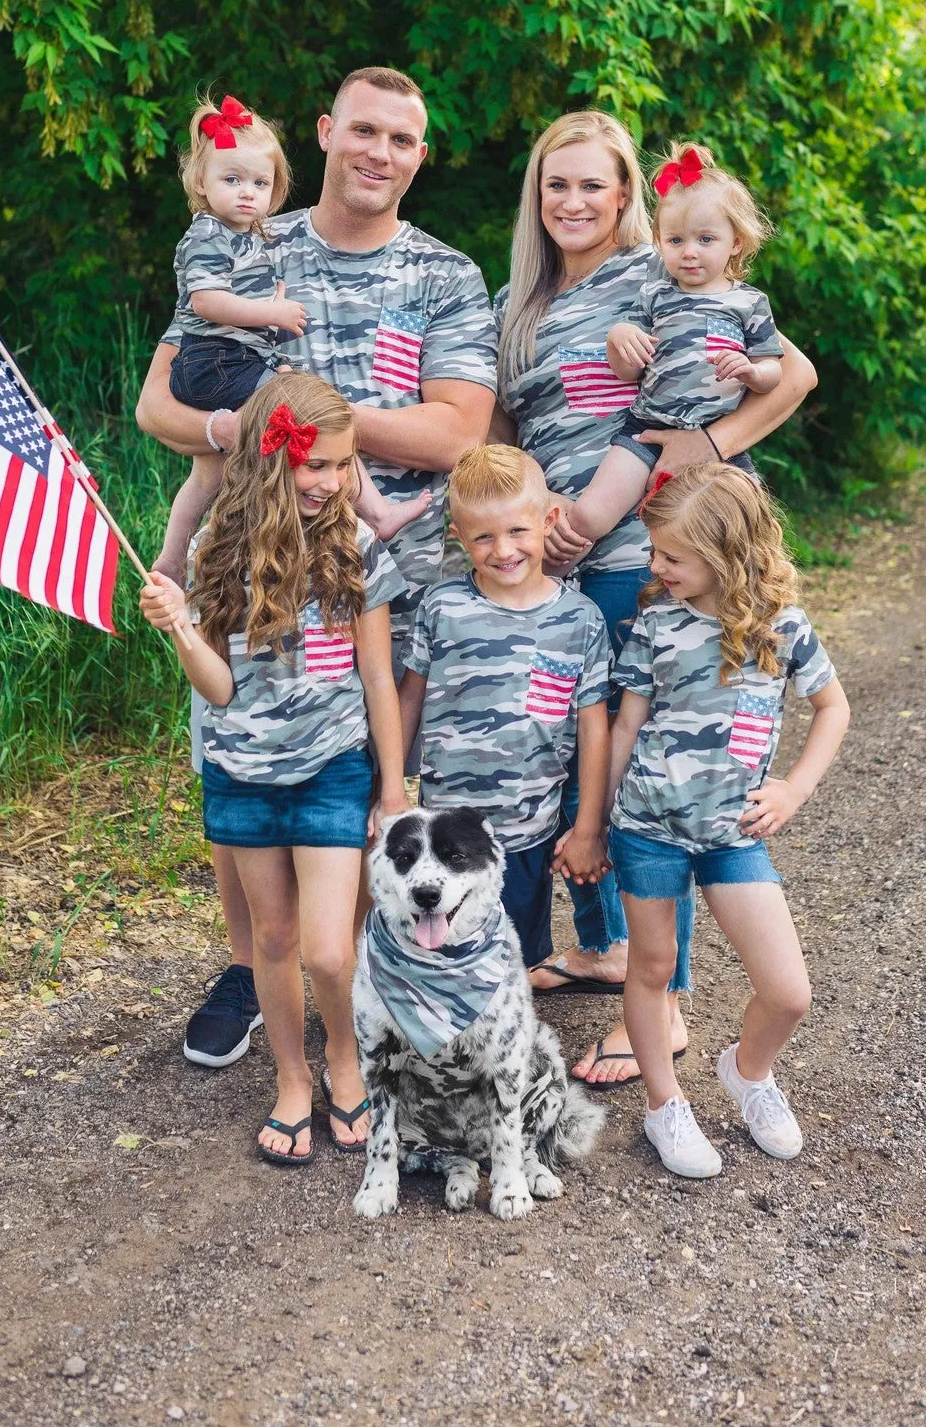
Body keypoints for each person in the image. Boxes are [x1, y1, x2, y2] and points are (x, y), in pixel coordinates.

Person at [136, 67, 498, 1066]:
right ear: (329, 134)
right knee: (238, 761)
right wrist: (247, 424)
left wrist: (310, 416)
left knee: (378, 787)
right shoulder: (248, 236)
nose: (380, 152)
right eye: (364, 131)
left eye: (402, 139)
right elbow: (158, 405)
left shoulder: (443, 276)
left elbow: (456, 430)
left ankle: (381, 971)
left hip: (389, 579)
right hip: (250, 573)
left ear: (421, 157)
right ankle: (253, 966)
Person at [492, 109, 818, 1088]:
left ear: (627, 195)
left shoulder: (665, 271)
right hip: (553, 562)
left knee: (642, 772)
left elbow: (792, 373)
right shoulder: (519, 302)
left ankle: (661, 1006)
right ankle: (597, 947)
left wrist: (707, 447)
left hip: (651, 552)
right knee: (570, 751)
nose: (574, 201)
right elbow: (510, 431)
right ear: (537, 195)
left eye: (594, 184)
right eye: (558, 183)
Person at [139, 373, 409, 1164]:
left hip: (331, 770)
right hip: (243, 776)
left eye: (342, 465)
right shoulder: (214, 550)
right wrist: (182, 630)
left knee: (330, 949)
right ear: (270, 457)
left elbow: (376, 679)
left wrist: (391, 786)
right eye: (314, 465)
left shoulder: (357, 547)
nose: (330, 483)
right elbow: (218, 687)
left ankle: (344, 1059)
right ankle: (292, 1079)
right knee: (274, 938)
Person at [581, 464, 849, 1177]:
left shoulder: (783, 626)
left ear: (729, 554)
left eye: (672, 555)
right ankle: (665, 1105)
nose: (655, 566)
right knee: (653, 968)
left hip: (735, 836)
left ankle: (749, 1073)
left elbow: (834, 709)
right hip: (648, 829)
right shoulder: (655, 627)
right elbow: (625, 727)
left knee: (789, 991)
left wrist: (792, 788)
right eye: (654, 551)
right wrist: (600, 826)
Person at [156, 91, 430, 583]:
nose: (246, 193)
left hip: (237, 361)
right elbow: (197, 316)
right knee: (315, 411)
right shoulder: (214, 234)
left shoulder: (252, 239)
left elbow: (459, 434)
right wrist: (272, 315)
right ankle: (378, 510)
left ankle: (173, 555)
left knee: (208, 472)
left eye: (259, 183)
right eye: (232, 179)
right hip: (217, 362)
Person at [398, 444, 612, 966]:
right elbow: (409, 699)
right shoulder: (442, 607)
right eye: (483, 537)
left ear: (548, 520)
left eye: (518, 531)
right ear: (458, 537)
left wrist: (587, 827)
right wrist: (388, 790)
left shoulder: (581, 620)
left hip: (528, 829)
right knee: (439, 948)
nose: (504, 550)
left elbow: (595, 732)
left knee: (514, 958)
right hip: (444, 829)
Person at [564, 141, 783, 551]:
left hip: (718, 438)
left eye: (705, 239)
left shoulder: (748, 302)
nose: (690, 253)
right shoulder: (655, 295)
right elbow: (628, 372)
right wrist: (618, 339)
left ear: (735, 242)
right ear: (659, 242)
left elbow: (774, 371)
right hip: (647, 428)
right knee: (589, 516)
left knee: (754, 533)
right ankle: (552, 588)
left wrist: (753, 372)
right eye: (676, 240)